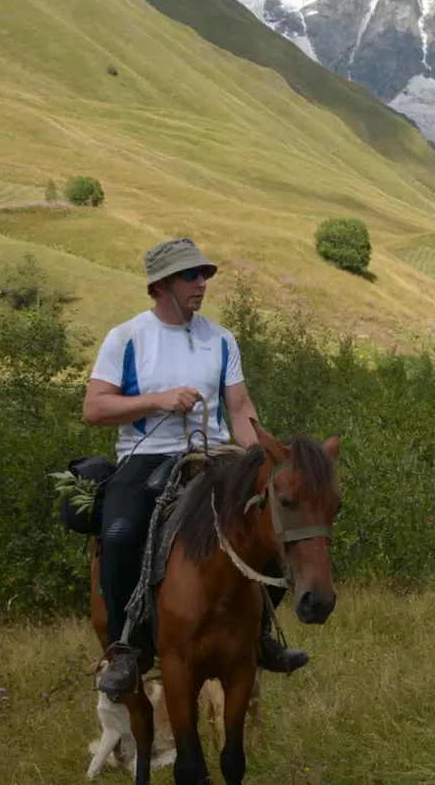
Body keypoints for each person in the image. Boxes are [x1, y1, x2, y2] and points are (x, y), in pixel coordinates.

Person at [83, 238, 309, 700]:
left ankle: (261, 632)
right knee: (122, 532)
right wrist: (158, 400)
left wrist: (265, 455)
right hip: (145, 455)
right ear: (162, 284)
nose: (201, 283)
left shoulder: (220, 339)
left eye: (204, 274)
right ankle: (127, 648)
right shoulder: (126, 337)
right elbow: (94, 408)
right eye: (191, 276)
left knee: (269, 523)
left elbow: (240, 406)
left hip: (216, 454)